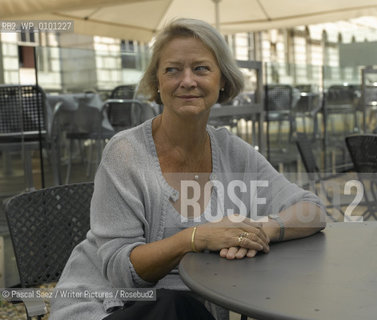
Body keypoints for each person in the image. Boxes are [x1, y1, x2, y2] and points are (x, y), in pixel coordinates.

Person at [50, 18, 326, 320]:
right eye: (172, 69)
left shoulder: (233, 152)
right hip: (107, 307)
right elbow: (120, 271)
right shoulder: (125, 153)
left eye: (201, 68)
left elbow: (311, 209)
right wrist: (197, 238)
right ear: (157, 82)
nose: (187, 80)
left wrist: (258, 233)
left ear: (222, 80)